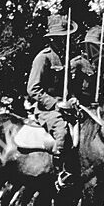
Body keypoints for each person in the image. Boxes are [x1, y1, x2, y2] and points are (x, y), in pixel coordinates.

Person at [26, 14, 78, 184]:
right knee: (62, 131)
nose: (65, 42)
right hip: (47, 110)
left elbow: (68, 88)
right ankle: (59, 172)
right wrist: (56, 104)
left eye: (67, 39)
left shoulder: (66, 59)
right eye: (62, 39)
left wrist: (72, 99)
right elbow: (33, 89)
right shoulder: (43, 58)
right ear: (53, 39)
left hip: (65, 107)